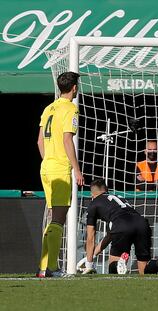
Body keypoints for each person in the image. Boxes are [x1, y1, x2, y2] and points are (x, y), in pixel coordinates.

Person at [36, 71, 85, 278]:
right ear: (74, 87)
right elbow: (67, 140)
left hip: (46, 167)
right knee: (57, 219)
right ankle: (52, 268)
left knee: (51, 219)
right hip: (59, 169)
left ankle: (43, 268)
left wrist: (48, 161)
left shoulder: (49, 108)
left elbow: (39, 141)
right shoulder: (71, 108)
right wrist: (77, 169)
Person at [82, 179, 158, 275]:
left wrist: (89, 264)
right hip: (141, 223)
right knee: (144, 270)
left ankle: (119, 263)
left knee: (113, 270)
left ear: (92, 194)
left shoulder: (93, 204)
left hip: (121, 224)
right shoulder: (119, 197)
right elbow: (109, 236)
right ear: (107, 190)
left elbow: (91, 236)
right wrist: (92, 255)